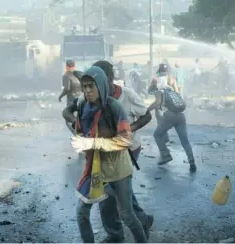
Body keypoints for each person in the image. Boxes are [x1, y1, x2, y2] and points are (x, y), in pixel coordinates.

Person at [63, 61, 153, 242]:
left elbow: (124, 140)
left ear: (103, 83)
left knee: (126, 213)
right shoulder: (83, 105)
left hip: (119, 165)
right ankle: (116, 235)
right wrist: (79, 137)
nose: (87, 91)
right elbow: (78, 128)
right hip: (95, 167)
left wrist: (93, 142)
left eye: (92, 86)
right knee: (83, 212)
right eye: (85, 86)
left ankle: (138, 230)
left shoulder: (115, 106)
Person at [146, 76, 197, 171]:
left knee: (157, 134)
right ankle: (192, 162)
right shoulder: (172, 91)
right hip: (181, 116)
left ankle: (165, 155)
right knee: (184, 141)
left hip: (169, 116)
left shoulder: (160, 92)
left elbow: (157, 103)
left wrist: (147, 110)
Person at [58, 59, 82, 133]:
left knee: (68, 119)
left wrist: (61, 96)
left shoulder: (66, 75)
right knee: (79, 117)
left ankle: (76, 133)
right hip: (80, 98)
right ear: (74, 66)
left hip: (71, 99)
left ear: (66, 66)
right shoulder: (78, 74)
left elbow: (67, 88)